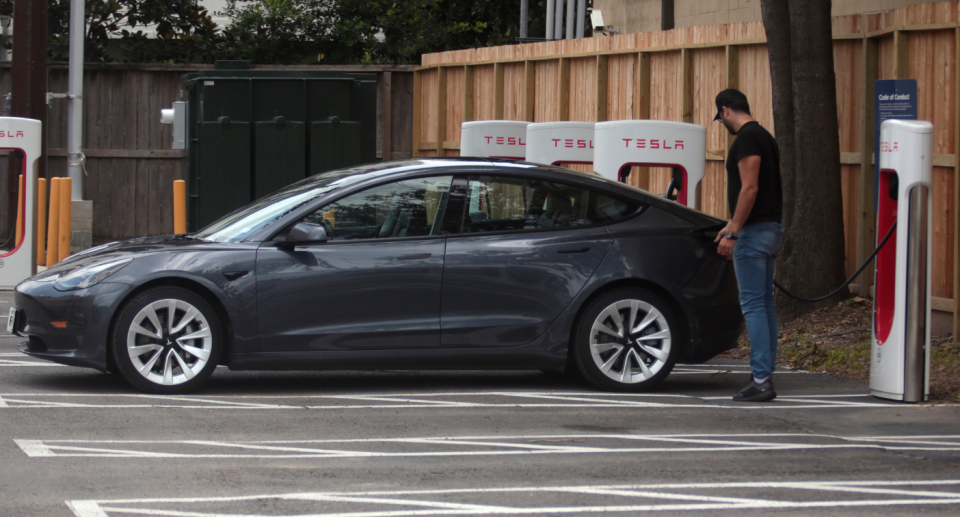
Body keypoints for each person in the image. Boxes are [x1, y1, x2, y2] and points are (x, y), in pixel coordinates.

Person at [712, 89, 784, 402]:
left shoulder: (746, 139)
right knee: (765, 304)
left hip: (753, 234)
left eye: (721, 117)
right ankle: (765, 374)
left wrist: (734, 231)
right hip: (771, 229)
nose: (722, 122)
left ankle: (761, 379)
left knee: (754, 305)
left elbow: (750, 188)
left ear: (726, 110)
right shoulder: (766, 136)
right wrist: (731, 224)